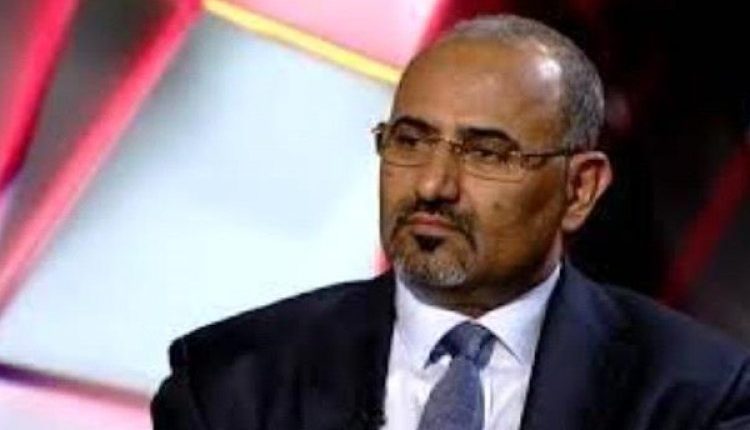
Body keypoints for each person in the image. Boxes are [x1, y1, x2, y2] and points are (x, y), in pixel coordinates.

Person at [151, 14, 750, 430]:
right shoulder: (231, 381)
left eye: (487, 153)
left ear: (580, 189)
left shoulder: (699, 394)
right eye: (409, 141)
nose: (433, 185)